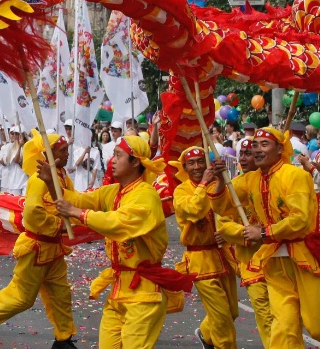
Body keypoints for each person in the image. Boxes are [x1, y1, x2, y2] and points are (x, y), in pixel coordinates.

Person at [55, 135, 195, 348]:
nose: (112, 160)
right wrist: (50, 178)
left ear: (136, 161)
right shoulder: (113, 192)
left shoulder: (146, 195)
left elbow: (119, 222)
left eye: (118, 156)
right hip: (118, 290)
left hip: (144, 294)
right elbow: (76, 199)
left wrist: (78, 213)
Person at [234, 127, 320, 348]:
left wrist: (263, 232)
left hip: (303, 257)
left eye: (264, 144)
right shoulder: (250, 179)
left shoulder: (295, 175)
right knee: (284, 325)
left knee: (316, 326)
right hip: (274, 261)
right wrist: (218, 181)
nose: (257, 150)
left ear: (280, 149)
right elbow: (225, 201)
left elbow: (299, 219)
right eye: (255, 145)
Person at [0, 131, 77, 349]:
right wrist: (57, 225)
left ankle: (64, 339)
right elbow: (32, 213)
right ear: (48, 154)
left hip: (54, 249)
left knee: (61, 295)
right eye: (62, 150)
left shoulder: (62, 176)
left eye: (68, 150)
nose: (68, 154)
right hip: (36, 247)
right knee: (22, 296)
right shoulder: (38, 179)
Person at [171, 147, 238, 349]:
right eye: (191, 163)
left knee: (231, 312)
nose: (197, 166)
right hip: (199, 258)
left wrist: (226, 230)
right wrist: (203, 184)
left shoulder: (216, 183)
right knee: (222, 318)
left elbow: (229, 211)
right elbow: (194, 210)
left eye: (201, 161)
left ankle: (206, 335)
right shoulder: (181, 190)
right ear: (184, 167)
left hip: (222, 254)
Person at [214, 138, 275, 348]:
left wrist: (267, 233)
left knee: (284, 314)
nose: (245, 158)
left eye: (250, 153)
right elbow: (222, 220)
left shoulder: (273, 181)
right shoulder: (235, 185)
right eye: (243, 154)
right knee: (265, 312)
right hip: (251, 262)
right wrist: (245, 233)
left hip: (279, 258)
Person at [0, 126, 25, 196]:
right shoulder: (10, 147)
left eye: (17, 134)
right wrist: (19, 147)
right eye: (13, 133)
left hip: (24, 179)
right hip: (15, 181)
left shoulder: (26, 146)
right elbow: (15, 160)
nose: (15, 136)